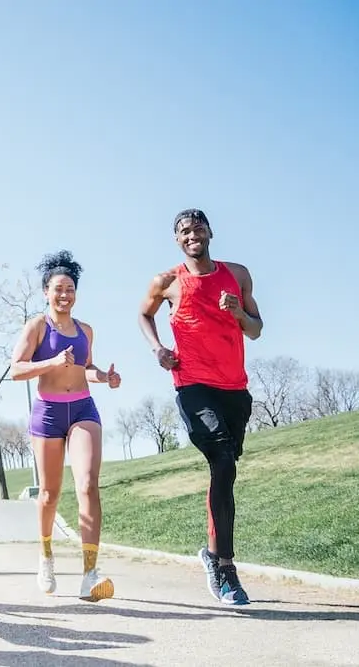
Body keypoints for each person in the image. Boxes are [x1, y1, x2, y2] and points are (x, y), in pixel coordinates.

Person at [138, 208, 261, 606]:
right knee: (222, 461)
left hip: (234, 388)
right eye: (184, 231)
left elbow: (256, 329)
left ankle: (211, 553)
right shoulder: (167, 281)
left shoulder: (237, 275)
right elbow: (143, 313)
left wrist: (237, 311)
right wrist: (158, 349)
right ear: (177, 239)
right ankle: (225, 569)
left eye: (198, 228)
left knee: (226, 470)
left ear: (210, 232)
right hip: (192, 384)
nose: (193, 234)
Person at [8, 250, 121, 603]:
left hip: (84, 408)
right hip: (48, 413)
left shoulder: (85, 330)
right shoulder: (37, 326)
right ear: (46, 292)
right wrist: (52, 361)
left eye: (70, 288)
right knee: (49, 493)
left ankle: (90, 573)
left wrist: (104, 376)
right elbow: (15, 369)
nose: (64, 294)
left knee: (88, 484)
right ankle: (46, 556)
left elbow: (85, 368)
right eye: (58, 288)